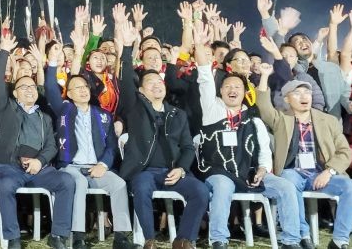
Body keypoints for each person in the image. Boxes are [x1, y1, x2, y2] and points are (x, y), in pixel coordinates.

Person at [193, 33, 302, 249]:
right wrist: (198, 44)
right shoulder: (212, 109)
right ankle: (218, 240)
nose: (232, 90)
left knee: (286, 186)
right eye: (228, 87)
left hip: (248, 173)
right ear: (220, 91)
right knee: (223, 186)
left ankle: (291, 240)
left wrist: (263, 169)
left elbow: (263, 150)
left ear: (244, 92)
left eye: (237, 88)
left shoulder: (253, 119)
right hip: (219, 172)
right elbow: (204, 76)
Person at [115, 17, 207, 249]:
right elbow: (125, 82)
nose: (157, 84)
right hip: (145, 171)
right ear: (141, 90)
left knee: (200, 190)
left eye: (159, 81)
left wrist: (181, 168)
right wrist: (127, 47)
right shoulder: (135, 108)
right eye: (150, 82)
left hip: (173, 172)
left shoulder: (177, 114)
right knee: (141, 187)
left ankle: (183, 239)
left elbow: (188, 147)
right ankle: (149, 240)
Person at [43, 40, 134, 249]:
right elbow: (50, 88)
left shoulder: (103, 115)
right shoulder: (64, 110)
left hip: (96, 168)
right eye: (77, 88)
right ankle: (78, 237)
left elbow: (111, 146)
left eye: (85, 86)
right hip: (71, 167)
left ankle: (121, 237)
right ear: (69, 94)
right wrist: (53, 62)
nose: (83, 90)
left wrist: (103, 164)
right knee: (79, 183)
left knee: (119, 184)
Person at [255, 64, 352, 249]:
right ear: (287, 99)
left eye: (307, 93)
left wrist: (329, 171)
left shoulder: (328, 120)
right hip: (293, 173)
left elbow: (345, 151)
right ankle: (301, 235)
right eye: (297, 93)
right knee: (288, 179)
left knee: (351, 186)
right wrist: (264, 75)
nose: (304, 97)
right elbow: (263, 105)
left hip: (320, 174)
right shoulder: (281, 119)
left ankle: (340, 239)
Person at [0, 34, 74, 249]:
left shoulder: (44, 117)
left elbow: (51, 146)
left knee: (66, 181)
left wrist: (40, 161)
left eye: (32, 87)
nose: (29, 90)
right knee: (5, 185)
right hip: (11, 168)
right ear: (15, 93)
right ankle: (13, 238)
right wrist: (3, 52)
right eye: (24, 87)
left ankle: (58, 235)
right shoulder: (7, 108)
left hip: (39, 169)